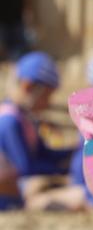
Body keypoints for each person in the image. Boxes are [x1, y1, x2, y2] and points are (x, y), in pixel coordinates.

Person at [0, 51, 70, 210]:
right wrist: (65, 170)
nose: (48, 103)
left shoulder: (25, 118)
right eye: (46, 96)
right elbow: (26, 167)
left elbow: (42, 153)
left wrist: (74, 153)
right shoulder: (9, 121)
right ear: (27, 87)